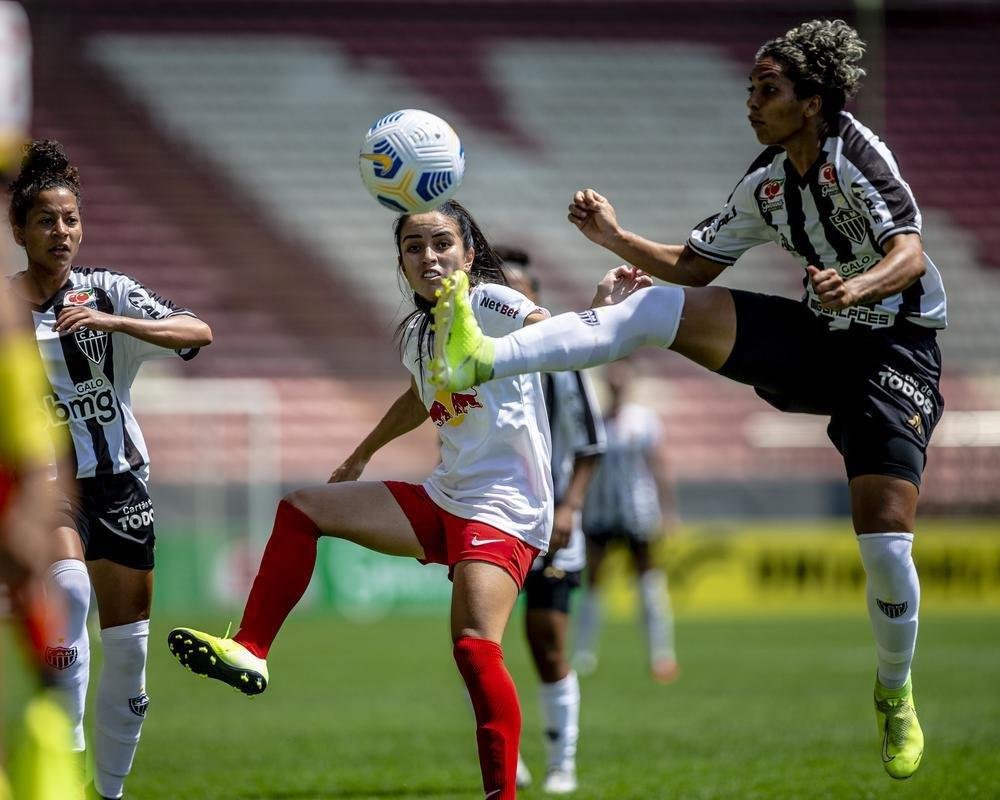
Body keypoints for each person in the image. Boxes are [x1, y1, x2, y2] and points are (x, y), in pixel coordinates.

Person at [429, 19, 941, 781]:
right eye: (749, 89)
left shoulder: (856, 156)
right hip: (817, 339)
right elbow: (693, 265)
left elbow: (910, 250)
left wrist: (857, 286)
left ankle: (894, 690)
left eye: (768, 90)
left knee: (886, 543)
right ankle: (487, 357)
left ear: (813, 100)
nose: (752, 103)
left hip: (893, 350)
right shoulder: (769, 181)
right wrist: (612, 235)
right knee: (661, 307)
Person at [167, 200, 565, 800]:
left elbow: (545, 326)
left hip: (507, 505)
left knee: (475, 646)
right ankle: (251, 650)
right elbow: (418, 393)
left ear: (468, 252)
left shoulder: (486, 300)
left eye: (441, 243)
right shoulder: (420, 332)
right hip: (448, 493)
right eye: (414, 247)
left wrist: (602, 315)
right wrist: (362, 453)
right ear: (400, 262)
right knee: (302, 508)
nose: (429, 257)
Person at [7, 139, 213, 800]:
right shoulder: (4, 309)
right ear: (19, 231)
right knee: (68, 594)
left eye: (70, 219)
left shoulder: (109, 290)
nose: (61, 231)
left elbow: (197, 330)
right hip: (47, 489)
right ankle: (59, 777)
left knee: (130, 655)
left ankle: (109, 793)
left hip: (121, 483)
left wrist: (111, 320)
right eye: (45, 220)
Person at [499, 247, 605, 795]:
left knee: (546, 644)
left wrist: (568, 507)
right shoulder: (480, 358)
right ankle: (505, 758)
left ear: (534, 300)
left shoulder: (562, 359)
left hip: (552, 526)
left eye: (520, 293)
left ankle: (561, 760)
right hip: (492, 521)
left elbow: (590, 445)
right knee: (480, 646)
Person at [574, 358, 679, 685]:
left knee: (648, 583)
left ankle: (661, 655)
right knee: (593, 584)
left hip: (639, 513)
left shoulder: (645, 422)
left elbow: (659, 467)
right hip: (600, 513)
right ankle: (582, 656)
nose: (616, 383)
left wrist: (668, 511)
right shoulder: (594, 421)